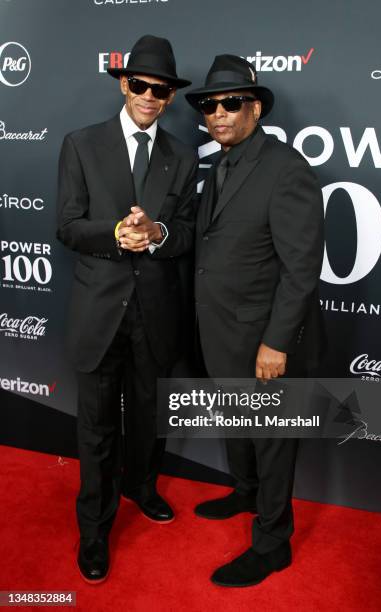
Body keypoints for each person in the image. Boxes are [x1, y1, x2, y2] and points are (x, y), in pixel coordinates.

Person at [57, 35, 197, 583]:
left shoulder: (183, 158)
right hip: (99, 310)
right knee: (95, 427)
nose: (149, 96)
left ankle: (141, 486)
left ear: (168, 98)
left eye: (160, 91)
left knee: (147, 417)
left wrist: (159, 232)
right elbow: (67, 225)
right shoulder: (82, 145)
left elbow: (186, 233)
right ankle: (94, 528)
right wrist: (116, 233)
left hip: (156, 310)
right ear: (123, 83)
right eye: (140, 85)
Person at [185, 54, 325, 587]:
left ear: (256, 107)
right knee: (239, 424)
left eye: (230, 103)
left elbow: (301, 267)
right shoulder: (220, 165)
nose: (217, 113)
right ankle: (244, 492)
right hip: (220, 330)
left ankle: (273, 544)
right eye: (208, 105)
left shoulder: (286, 169)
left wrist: (276, 342)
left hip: (262, 339)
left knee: (270, 437)